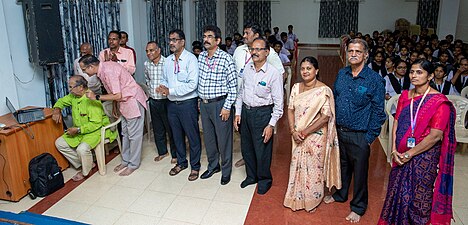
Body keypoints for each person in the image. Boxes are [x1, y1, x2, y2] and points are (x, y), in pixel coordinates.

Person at [378, 59, 456, 225]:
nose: (413, 75)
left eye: (419, 72)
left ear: (430, 76)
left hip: (424, 158)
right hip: (399, 154)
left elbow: (435, 136)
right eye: (412, 72)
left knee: (419, 196)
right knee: (396, 191)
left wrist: (409, 154)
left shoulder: (439, 102)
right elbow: (396, 122)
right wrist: (393, 150)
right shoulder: (405, 96)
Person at [324, 38, 386, 223]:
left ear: (366, 55)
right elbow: (334, 98)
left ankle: (358, 206)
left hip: (360, 135)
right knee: (342, 166)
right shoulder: (342, 74)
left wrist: (368, 138)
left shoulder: (374, 80)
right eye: (350, 51)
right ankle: (341, 194)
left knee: (360, 172)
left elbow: (378, 111)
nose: (353, 54)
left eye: (358, 51)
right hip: (340, 131)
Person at [283, 56, 341, 212]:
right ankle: (296, 196)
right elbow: (290, 109)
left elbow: (326, 116)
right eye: (302, 69)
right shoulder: (295, 87)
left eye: (309, 68)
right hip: (297, 135)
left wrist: (304, 132)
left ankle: (312, 200)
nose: (305, 71)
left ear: (316, 71)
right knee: (297, 165)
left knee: (314, 168)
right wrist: (293, 131)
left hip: (315, 136)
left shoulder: (323, 90)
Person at [79, 54, 147, 176]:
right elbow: (114, 92)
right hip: (124, 101)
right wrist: (116, 106)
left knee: (134, 135)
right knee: (125, 133)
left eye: (84, 70)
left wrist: (96, 97)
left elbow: (118, 95)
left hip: (132, 99)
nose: (84, 72)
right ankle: (126, 161)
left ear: (91, 66)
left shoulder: (108, 70)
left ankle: (133, 164)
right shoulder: (102, 71)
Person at [234, 38, 284, 195]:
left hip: (263, 114)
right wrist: (238, 113)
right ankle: (251, 176)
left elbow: (279, 104)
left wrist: (271, 125)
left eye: (258, 49)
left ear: (267, 52)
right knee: (247, 147)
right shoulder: (247, 68)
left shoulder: (273, 74)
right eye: (252, 49)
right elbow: (241, 92)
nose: (254, 52)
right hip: (246, 113)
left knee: (262, 149)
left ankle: (264, 180)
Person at [157, 29, 201, 181]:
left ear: (182, 42)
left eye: (175, 40)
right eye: (170, 39)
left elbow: (192, 85)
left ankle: (195, 166)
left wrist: (171, 90)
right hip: (171, 104)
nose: (171, 43)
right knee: (176, 136)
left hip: (188, 104)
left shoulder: (191, 59)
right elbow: (164, 78)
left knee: (192, 135)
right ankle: (182, 163)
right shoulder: (168, 60)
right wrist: (162, 87)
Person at [53, 76, 117, 181]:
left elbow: (96, 124)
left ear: (81, 87)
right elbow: (62, 101)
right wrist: (56, 109)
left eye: (71, 87)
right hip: (80, 131)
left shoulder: (91, 99)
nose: (70, 90)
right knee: (60, 143)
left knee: (82, 149)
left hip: (95, 131)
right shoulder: (73, 96)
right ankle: (86, 163)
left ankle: (85, 171)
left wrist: (78, 130)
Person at [198, 25, 237, 185]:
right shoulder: (200, 57)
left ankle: (226, 171)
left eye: (209, 37)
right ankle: (213, 166)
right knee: (209, 139)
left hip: (220, 104)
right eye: (204, 36)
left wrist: (227, 106)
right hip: (204, 105)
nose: (205, 39)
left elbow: (233, 87)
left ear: (218, 40)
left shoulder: (226, 58)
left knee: (224, 140)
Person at [144, 41, 177, 163]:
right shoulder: (147, 64)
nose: (149, 53)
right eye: (147, 51)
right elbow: (147, 79)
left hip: (167, 101)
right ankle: (162, 152)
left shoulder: (168, 62)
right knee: (157, 129)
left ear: (159, 50)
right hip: (154, 101)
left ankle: (175, 154)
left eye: (151, 50)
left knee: (171, 129)